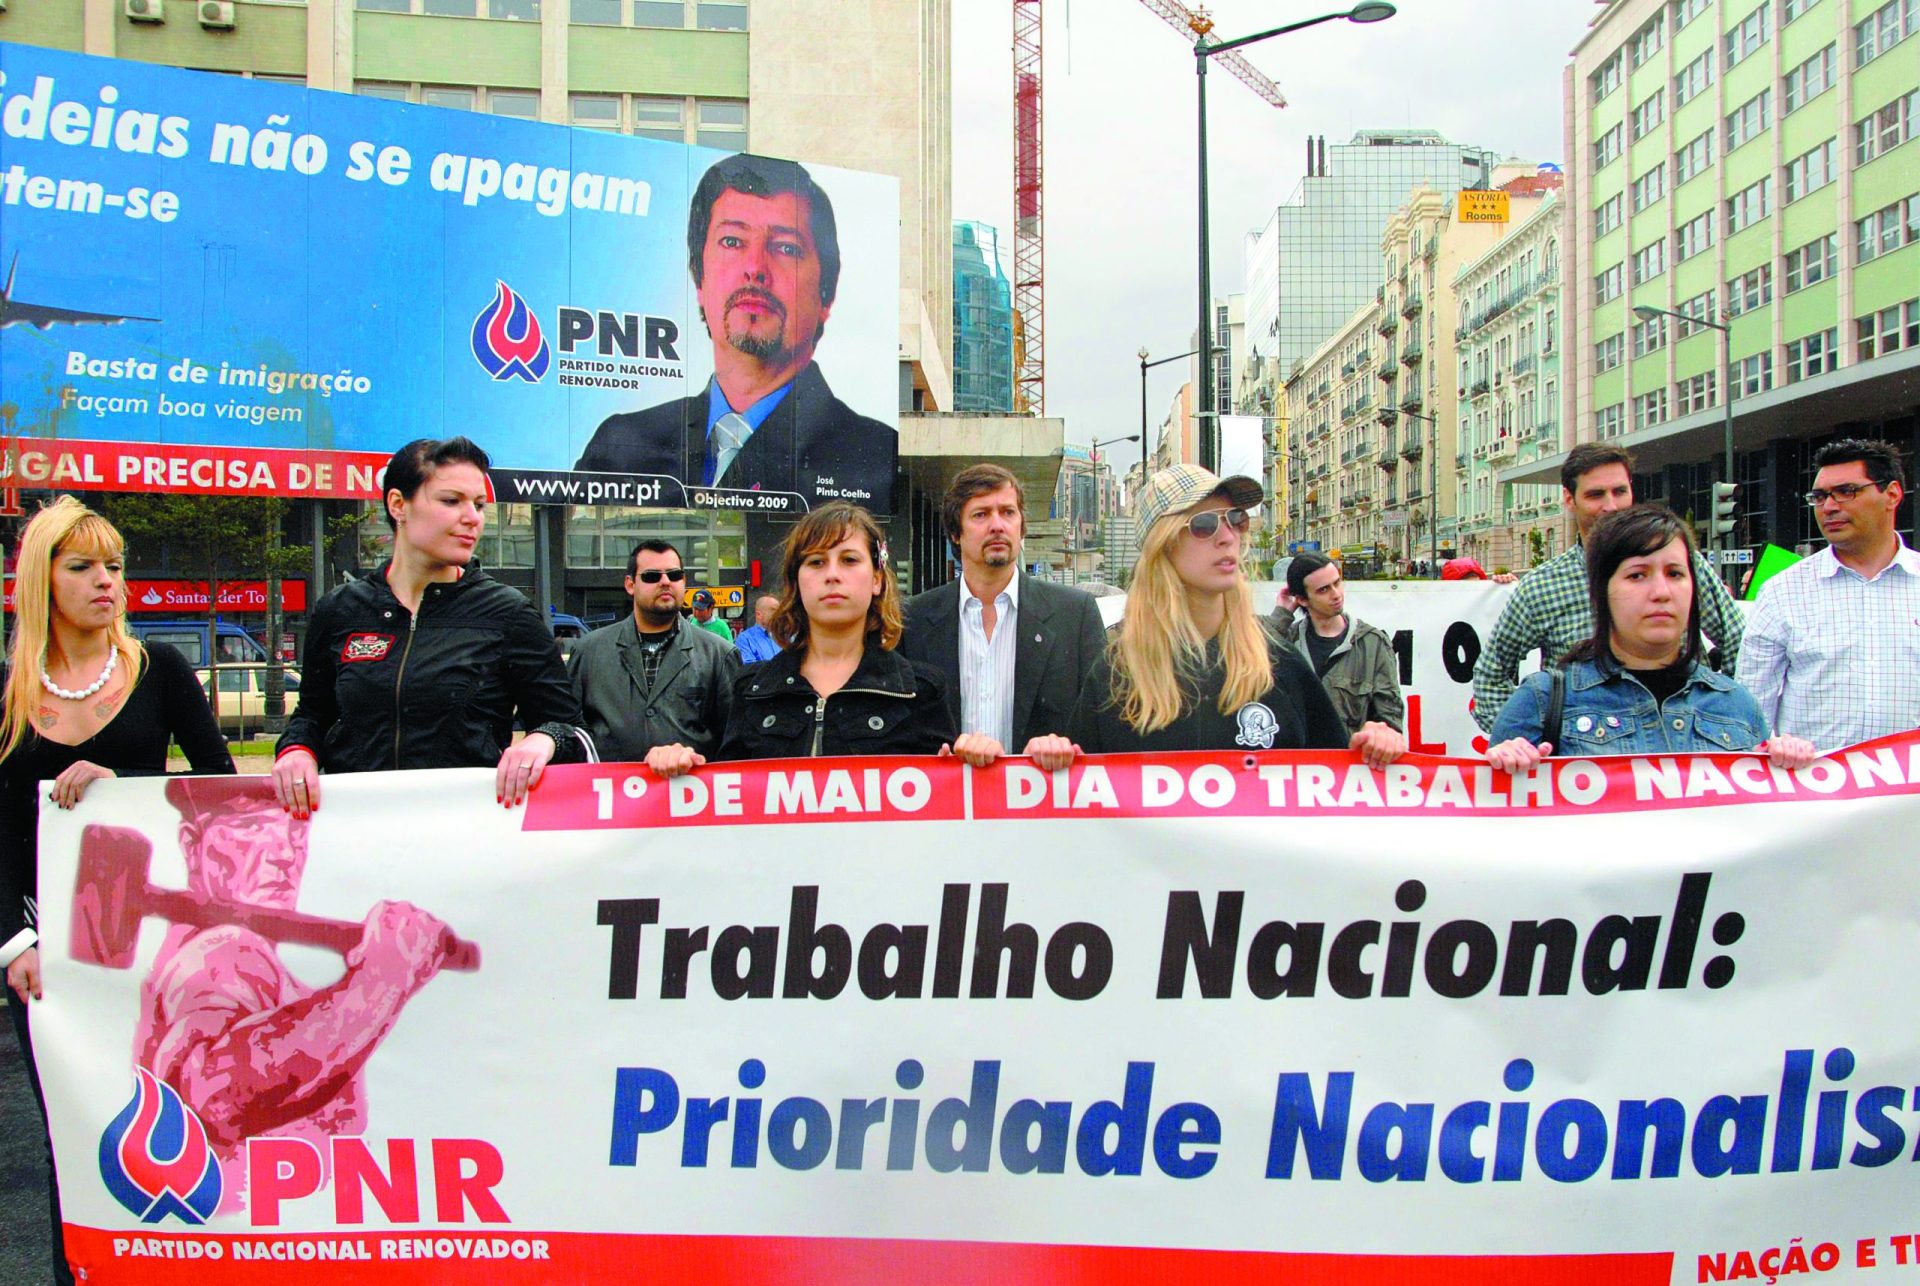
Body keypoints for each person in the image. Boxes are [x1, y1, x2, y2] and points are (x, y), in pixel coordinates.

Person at [0, 497, 234, 1286]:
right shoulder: (5, 690)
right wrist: (14, 943)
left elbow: (220, 790)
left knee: (175, 1119)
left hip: (153, 942)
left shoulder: (159, 670)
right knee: (69, 1125)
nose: (106, 582)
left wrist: (126, 785)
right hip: (46, 950)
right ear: (42, 581)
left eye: (115, 566)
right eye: (82, 567)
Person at [133, 778, 459, 1212]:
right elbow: (212, 1092)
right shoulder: (225, 951)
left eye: (296, 831)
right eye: (253, 829)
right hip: (257, 1230)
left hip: (281, 1220)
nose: (284, 852)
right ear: (194, 844)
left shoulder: (247, 956)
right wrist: (381, 979)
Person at [272, 437, 588, 818]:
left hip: (466, 838)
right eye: (451, 501)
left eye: (480, 505)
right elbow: (312, 714)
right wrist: (296, 751)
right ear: (398, 505)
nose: (472, 517)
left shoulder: (508, 613)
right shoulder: (340, 610)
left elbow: (570, 728)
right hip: (356, 837)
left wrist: (544, 739)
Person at [572, 153, 895, 510]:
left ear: (827, 293)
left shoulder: (872, 456)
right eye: (732, 241)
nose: (755, 269)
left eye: (786, 248)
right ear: (699, 274)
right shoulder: (621, 447)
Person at [1065, 465, 1405, 764]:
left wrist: (1374, 747)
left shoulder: (1277, 662)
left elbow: (1334, 783)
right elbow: (1072, 801)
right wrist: (1048, 755)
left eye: (1235, 520)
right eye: (1204, 524)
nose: (1228, 537)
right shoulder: (1117, 674)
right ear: (1163, 544)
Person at [1486, 506, 1815, 771]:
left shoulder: (1738, 707)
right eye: (1637, 575)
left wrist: (1789, 766)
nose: (1661, 592)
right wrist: (1504, 769)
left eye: (1675, 574)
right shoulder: (1542, 701)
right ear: (1600, 592)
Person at [645, 502, 960, 773]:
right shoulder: (753, 689)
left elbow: (944, 818)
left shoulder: (919, 691)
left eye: (849, 560)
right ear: (796, 581)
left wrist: (970, 765)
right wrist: (681, 767)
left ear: (877, 579)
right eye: (816, 562)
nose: (832, 574)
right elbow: (727, 800)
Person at [1472, 443, 1744, 733]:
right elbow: (1492, 674)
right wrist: (1529, 740)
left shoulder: (1681, 564)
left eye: (1619, 491)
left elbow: (1740, 642)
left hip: (1681, 753)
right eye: (1595, 495)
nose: (1611, 506)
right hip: (1585, 765)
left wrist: (1721, 719)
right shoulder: (1542, 586)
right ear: (1569, 498)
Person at [897, 464, 1107, 754]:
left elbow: (1101, 726)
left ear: (1021, 526)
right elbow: (900, 733)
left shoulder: (1075, 615)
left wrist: (1066, 749)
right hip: (946, 796)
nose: (997, 525)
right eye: (981, 514)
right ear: (956, 533)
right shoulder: (913, 621)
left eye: (1008, 512)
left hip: (1042, 795)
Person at [1737, 438, 1920, 749]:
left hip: (1908, 791)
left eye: (1847, 492)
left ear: (1891, 494)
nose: (1830, 507)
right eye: (1819, 497)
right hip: (1816, 789)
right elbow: (1751, 712)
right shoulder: (1784, 592)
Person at [568, 540, 740, 764]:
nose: (666, 582)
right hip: (612, 795)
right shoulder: (588, 652)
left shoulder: (720, 655)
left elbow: (736, 744)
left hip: (690, 794)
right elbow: (567, 729)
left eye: (675, 575)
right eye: (652, 576)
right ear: (630, 585)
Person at [1281, 552, 1404, 736]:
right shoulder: (1284, 643)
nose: (1336, 594)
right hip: (1295, 762)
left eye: (1337, 583)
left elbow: (1391, 719)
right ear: (1302, 599)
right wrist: (1281, 614)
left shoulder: (1372, 644)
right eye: (1324, 590)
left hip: (1349, 762)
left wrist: (1381, 737)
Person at [734, 593, 783, 664]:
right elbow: (749, 669)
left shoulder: (786, 637)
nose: (779, 614)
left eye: (779, 610)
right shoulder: (745, 639)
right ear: (759, 615)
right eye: (773, 610)